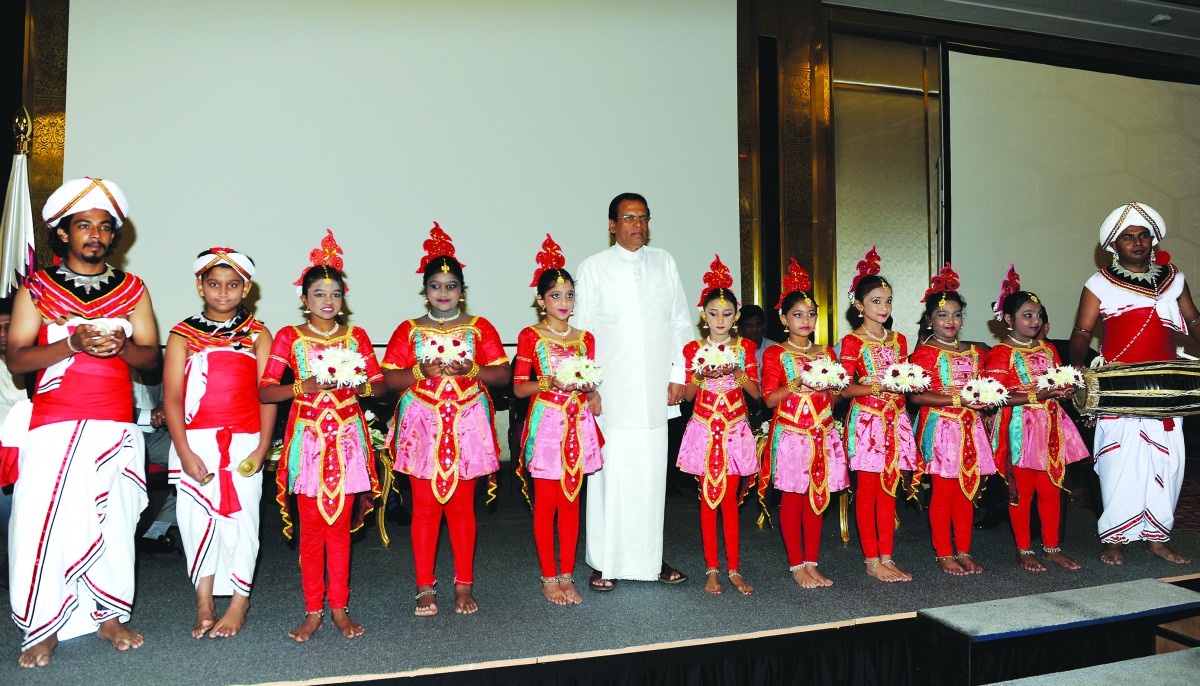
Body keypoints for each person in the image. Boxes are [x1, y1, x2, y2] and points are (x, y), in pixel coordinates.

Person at [4, 178, 159, 668]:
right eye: (84, 225)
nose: (96, 234)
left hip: (114, 425)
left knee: (112, 522)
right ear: (64, 232)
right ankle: (44, 625)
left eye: (104, 227)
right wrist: (70, 344)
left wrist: (123, 348)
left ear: (114, 236)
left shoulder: (133, 289)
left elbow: (151, 359)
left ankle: (108, 616)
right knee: (41, 525)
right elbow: (17, 359)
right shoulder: (36, 289)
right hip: (54, 425)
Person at [259, 231, 382, 641]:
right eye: (318, 293)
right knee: (311, 531)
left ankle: (340, 609)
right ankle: (313, 611)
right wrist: (304, 386)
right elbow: (265, 391)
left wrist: (357, 384)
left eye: (335, 293)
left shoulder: (356, 336)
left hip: (347, 442)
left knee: (340, 530)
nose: (327, 300)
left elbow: (379, 386)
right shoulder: (289, 337)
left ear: (343, 298)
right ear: (304, 299)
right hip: (309, 443)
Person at [383, 223, 510, 616]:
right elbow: (387, 380)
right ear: (425, 291)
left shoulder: (480, 327)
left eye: (451, 286)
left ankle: (463, 586)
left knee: (462, 509)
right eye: (435, 286)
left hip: (468, 428)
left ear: (462, 291)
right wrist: (420, 372)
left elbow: (503, 375)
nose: (443, 292)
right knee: (423, 509)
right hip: (422, 429)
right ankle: (424, 587)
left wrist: (472, 370)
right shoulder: (408, 330)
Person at [572, 192, 694, 590]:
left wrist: (680, 373)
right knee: (610, 479)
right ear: (612, 225)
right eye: (628, 217)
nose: (638, 224)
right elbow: (583, 334)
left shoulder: (664, 262)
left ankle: (649, 561)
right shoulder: (593, 267)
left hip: (657, 391)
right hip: (611, 393)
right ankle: (604, 562)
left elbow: (680, 322)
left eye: (643, 217)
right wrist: (590, 387)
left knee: (651, 479)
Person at [1069, 202, 1200, 566]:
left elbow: (1193, 321)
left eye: (1143, 236)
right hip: (1119, 388)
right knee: (1118, 463)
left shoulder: (1174, 280)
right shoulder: (1098, 283)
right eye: (1128, 237)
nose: (1137, 242)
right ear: (1114, 245)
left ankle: (1157, 538)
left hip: (1166, 388)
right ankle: (1114, 538)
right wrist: (1075, 370)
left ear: (1153, 240)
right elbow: (1082, 331)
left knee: (1167, 462)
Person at [163, 248, 276, 637]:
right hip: (195, 442)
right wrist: (184, 451)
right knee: (197, 522)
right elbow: (173, 397)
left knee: (244, 521)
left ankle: (239, 602)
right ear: (200, 287)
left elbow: (267, 394)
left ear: (246, 289)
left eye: (232, 285)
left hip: (244, 441)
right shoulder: (182, 334)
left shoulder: (259, 334)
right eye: (214, 284)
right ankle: (205, 603)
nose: (223, 293)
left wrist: (261, 448)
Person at [512, 234, 603, 605]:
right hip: (547, 424)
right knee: (547, 503)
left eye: (569, 295)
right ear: (540, 300)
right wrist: (551, 382)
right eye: (555, 296)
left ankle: (567, 575)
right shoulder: (530, 336)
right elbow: (519, 388)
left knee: (571, 502)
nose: (563, 303)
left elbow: (591, 383)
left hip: (578, 424)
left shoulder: (585, 338)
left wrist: (591, 392)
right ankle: (548, 577)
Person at [985, 266, 1087, 572]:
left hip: (1051, 425)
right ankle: (1024, 549)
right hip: (1020, 427)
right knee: (1022, 491)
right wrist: (1039, 396)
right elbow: (994, 397)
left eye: (1038, 315)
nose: (1035, 321)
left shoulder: (1049, 349)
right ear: (1009, 319)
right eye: (1027, 315)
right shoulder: (1001, 353)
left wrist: (1064, 391)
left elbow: (1055, 385)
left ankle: (1052, 547)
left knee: (1051, 488)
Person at [760, 260, 849, 589]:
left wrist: (829, 389)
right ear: (784, 319)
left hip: (822, 433)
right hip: (793, 435)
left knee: (817, 497)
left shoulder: (827, 353)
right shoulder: (775, 354)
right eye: (797, 315)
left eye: (811, 314)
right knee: (793, 499)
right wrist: (798, 382)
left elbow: (836, 397)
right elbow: (769, 399)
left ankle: (812, 563)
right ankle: (796, 565)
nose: (806, 321)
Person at [677, 255, 760, 595]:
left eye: (727, 314)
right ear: (703, 315)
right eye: (713, 313)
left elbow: (756, 393)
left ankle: (734, 568)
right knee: (708, 500)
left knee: (730, 502)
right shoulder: (692, 349)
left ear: (736, 316)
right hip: (704, 429)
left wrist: (737, 372)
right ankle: (712, 568)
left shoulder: (746, 347)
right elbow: (687, 396)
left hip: (736, 430)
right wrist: (700, 374)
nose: (720, 319)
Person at [908, 265, 996, 576]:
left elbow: (981, 388)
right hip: (941, 427)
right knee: (944, 492)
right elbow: (916, 397)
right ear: (929, 320)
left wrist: (986, 402)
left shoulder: (975, 352)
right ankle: (944, 552)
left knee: (967, 490)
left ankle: (964, 549)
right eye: (943, 315)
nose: (950, 321)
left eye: (957, 315)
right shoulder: (924, 353)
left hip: (970, 427)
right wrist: (959, 400)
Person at [838, 247, 918, 583]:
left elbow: (905, 380)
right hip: (867, 422)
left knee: (890, 490)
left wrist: (908, 383)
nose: (883, 307)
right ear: (859, 305)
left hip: (895, 420)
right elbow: (843, 389)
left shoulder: (899, 340)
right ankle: (871, 560)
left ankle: (887, 556)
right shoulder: (852, 342)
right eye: (875, 301)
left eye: (888, 301)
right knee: (868, 492)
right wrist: (877, 386)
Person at [738, 304, 778, 370]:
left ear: (763, 326)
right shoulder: (734, 351)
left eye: (758, 325)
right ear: (740, 329)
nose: (754, 329)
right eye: (749, 325)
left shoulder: (775, 349)